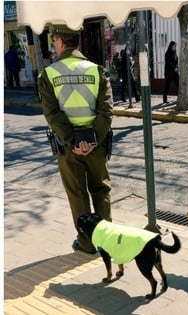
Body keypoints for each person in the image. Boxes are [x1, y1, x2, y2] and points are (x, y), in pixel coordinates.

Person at [38, 24, 113, 254]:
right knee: (101, 190)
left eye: (54, 41)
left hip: (67, 148)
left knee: (77, 193)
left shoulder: (49, 75)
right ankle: (106, 241)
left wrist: (73, 141)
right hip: (97, 145)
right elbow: (106, 111)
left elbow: (53, 115)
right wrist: (91, 140)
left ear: (60, 41)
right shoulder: (97, 71)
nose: (53, 45)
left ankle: (87, 242)